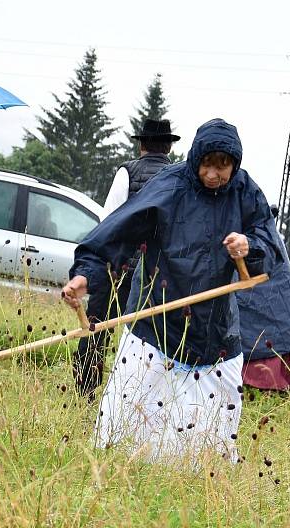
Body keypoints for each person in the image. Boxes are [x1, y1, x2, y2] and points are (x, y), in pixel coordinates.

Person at [61, 118, 281, 462]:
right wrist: (85, 275)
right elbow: (118, 231)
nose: (213, 175)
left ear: (234, 165)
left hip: (214, 330)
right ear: (196, 159)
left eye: (223, 167)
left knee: (207, 436)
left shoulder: (244, 191)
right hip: (157, 322)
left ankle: (199, 473)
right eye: (208, 165)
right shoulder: (171, 184)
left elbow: (269, 243)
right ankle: (121, 465)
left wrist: (248, 246)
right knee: (128, 417)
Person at [74, 118, 180, 397]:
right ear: (169, 146)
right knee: (154, 338)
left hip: (119, 269)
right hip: (158, 275)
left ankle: (85, 390)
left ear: (141, 144)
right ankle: (144, 395)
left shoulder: (127, 172)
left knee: (96, 328)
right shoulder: (178, 177)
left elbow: (107, 220)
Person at [237, 205, 290, 392]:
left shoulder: (270, 238)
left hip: (272, 286)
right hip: (246, 279)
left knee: (275, 318)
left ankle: (274, 378)